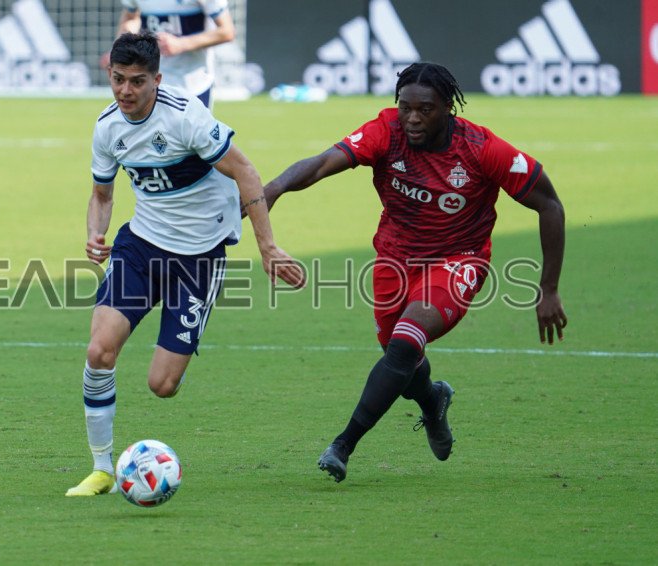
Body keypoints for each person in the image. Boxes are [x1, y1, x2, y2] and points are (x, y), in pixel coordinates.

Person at [260, 62, 568, 483]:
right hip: (394, 260)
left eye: (425, 109)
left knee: (405, 342)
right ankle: (432, 400)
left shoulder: (483, 149)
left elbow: (550, 205)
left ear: (448, 107)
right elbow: (321, 164)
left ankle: (343, 444)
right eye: (405, 107)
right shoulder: (385, 131)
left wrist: (548, 288)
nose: (413, 118)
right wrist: (274, 189)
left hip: (459, 260)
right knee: (400, 358)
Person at [66, 31, 305, 497]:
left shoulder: (186, 117)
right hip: (141, 248)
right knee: (99, 351)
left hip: (199, 258)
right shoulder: (107, 126)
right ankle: (101, 469)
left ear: (157, 79)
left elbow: (246, 171)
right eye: (118, 79)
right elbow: (102, 195)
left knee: (163, 385)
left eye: (137, 81)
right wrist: (95, 232)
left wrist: (268, 247)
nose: (125, 91)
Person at [101, 0, 236, 108]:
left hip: (193, 84)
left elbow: (227, 31)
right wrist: (121, 46)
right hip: (150, 84)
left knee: (193, 134)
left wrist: (182, 44)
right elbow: (131, 18)